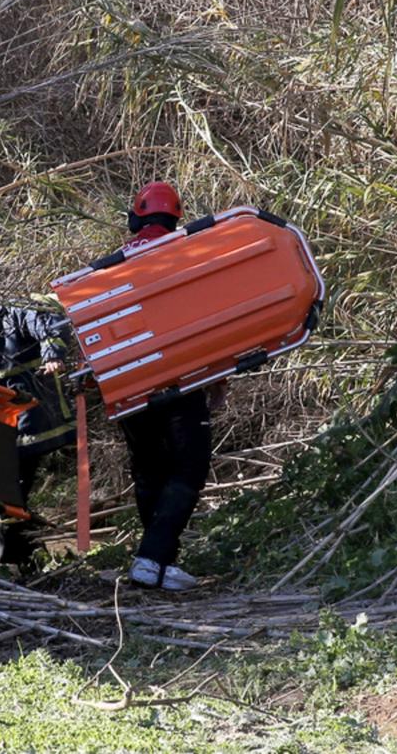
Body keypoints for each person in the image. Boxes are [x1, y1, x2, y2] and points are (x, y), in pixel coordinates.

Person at [117, 181, 222, 591]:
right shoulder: (186, 252)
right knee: (189, 466)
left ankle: (158, 562)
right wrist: (218, 378)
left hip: (129, 382)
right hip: (182, 379)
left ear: (137, 215)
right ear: (176, 215)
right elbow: (206, 323)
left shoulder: (113, 264)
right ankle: (153, 557)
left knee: (149, 468)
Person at [0, 292, 75, 566]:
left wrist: (52, 355)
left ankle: (16, 558)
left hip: (32, 418)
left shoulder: (13, 311)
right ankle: (22, 555)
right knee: (9, 490)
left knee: (12, 487)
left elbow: (51, 324)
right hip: (1, 424)